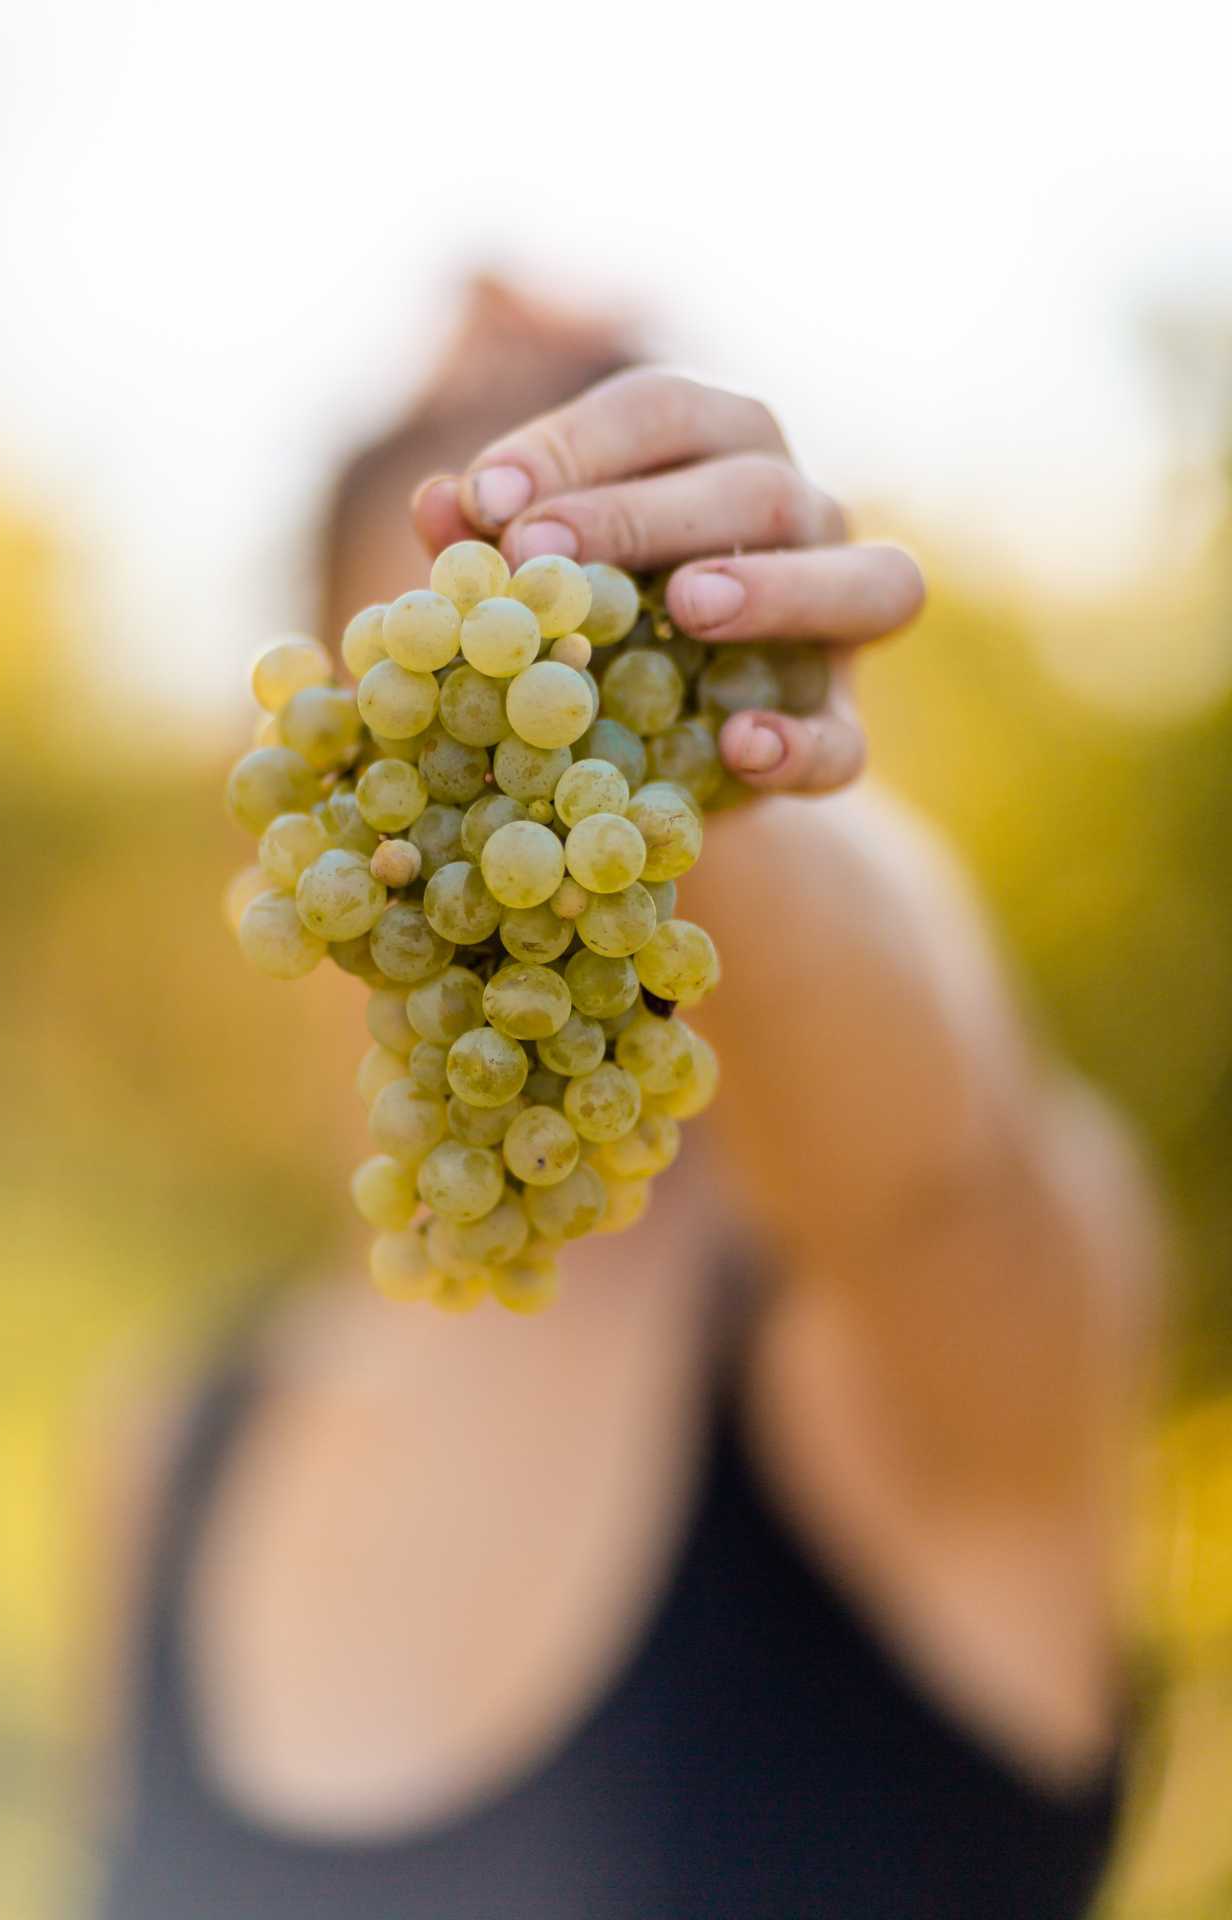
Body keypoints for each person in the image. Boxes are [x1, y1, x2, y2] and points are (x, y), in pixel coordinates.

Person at [92, 280, 1162, 1919]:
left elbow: (933, 1138)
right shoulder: (173, 1455)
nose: (512, 772)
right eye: (439, 719)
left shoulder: (926, 1358)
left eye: (611, 667)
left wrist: (748, 781)